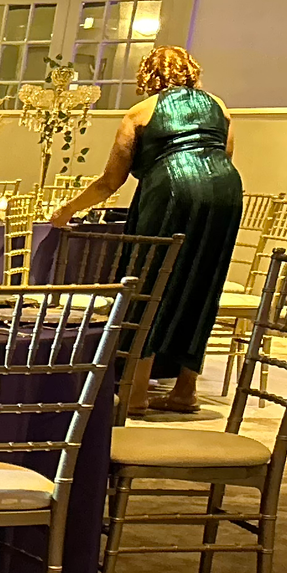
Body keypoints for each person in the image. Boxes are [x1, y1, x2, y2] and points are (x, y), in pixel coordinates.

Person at [50, 45, 243, 413]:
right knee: (205, 279)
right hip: (225, 190)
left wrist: (68, 209)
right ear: (192, 70)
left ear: (148, 76)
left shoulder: (141, 112)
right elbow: (224, 156)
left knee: (148, 279)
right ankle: (185, 389)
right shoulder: (220, 106)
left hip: (171, 188)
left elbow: (111, 180)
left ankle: (136, 391)